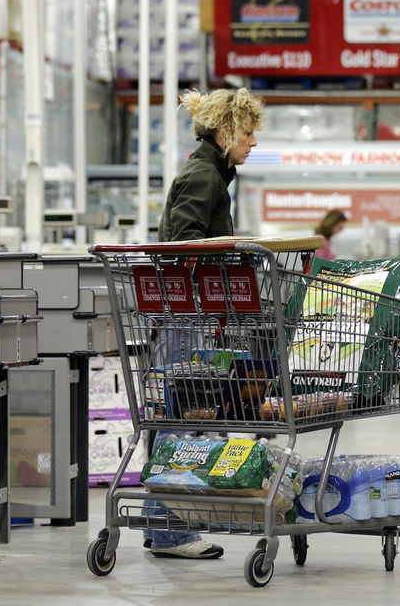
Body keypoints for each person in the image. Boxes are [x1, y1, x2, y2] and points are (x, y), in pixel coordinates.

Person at [148, 87, 265, 559]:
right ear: (226, 132)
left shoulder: (211, 172)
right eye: (248, 133)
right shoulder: (203, 175)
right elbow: (185, 242)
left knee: (176, 416)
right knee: (179, 417)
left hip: (188, 311)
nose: (253, 142)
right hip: (186, 313)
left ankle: (161, 525)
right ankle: (170, 532)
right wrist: (233, 250)